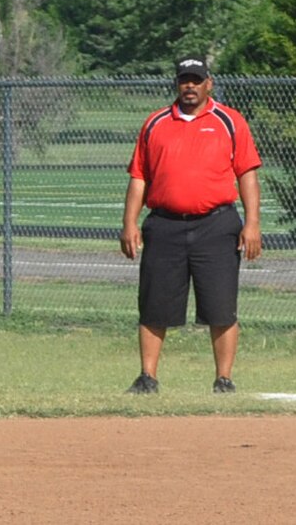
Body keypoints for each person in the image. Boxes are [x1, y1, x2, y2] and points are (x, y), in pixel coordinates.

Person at [119, 57, 263, 395]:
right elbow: (139, 177)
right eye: (184, 79)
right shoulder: (155, 124)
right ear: (176, 83)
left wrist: (252, 223)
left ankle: (223, 379)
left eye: (196, 80)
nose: (190, 86)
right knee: (154, 304)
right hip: (165, 225)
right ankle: (147, 378)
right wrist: (129, 222)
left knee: (221, 304)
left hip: (216, 225)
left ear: (208, 84)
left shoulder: (229, 121)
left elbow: (247, 174)